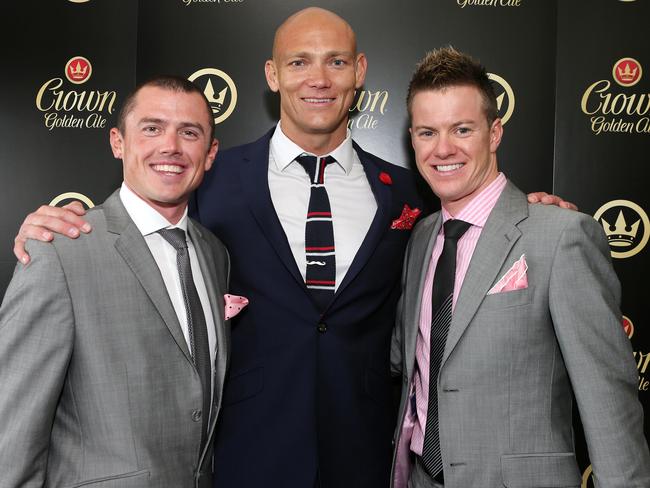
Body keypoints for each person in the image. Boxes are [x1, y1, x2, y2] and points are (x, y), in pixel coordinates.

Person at [11, 9, 573, 488]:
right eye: (299, 62)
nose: (318, 79)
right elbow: (144, 241)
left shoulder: (410, 191)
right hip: (243, 456)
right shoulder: (209, 177)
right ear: (272, 74)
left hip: (365, 455)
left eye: (335, 61)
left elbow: (468, 235)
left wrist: (532, 213)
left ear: (359, 72)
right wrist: (49, 225)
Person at [390, 47, 650, 488]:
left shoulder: (560, 236)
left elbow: (608, 401)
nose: (443, 148)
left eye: (462, 129)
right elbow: (407, 361)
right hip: (419, 477)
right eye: (427, 132)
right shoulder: (421, 238)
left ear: (494, 134)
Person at [0, 76, 231, 488]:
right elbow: (13, 432)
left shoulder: (215, 254)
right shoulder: (60, 250)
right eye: (152, 128)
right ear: (117, 142)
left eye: (189, 132)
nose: (171, 147)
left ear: (210, 154)